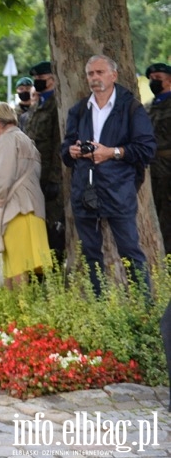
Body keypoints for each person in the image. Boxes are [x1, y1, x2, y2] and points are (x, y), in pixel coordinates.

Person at [60, 54, 156, 297]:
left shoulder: (131, 108)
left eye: (100, 72)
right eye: (91, 73)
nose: (95, 78)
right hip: (85, 192)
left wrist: (111, 152)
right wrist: (71, 151)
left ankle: (144, 308)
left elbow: (146, 150)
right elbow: (65, 152)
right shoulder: (79, 109)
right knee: (91, 256)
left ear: (114, 75)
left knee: (130, 251)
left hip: (119, 191)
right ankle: (99, 308)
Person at [0, 103, 52, 288]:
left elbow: (4, 178)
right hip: (33, 207)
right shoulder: (26, 139)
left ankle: (16, 311)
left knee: (15, 267)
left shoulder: (7, 140)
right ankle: (20, 308)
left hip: (17, 209)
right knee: (24, 265)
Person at [24, 61, 65, 262]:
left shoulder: (57, 105)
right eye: (36, 80)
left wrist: (56, 179)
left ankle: (55, 271)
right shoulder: (37, 105)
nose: (37, 83)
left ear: (53, 79)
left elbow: (59, 144)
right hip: (32, 176)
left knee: (53, 226)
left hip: (49, 177)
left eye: (41, 79)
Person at [146, 62, 171, 255]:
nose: (153, 82)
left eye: (158, 79)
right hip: (150, 169)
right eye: (151, 79)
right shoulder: (147, 107)